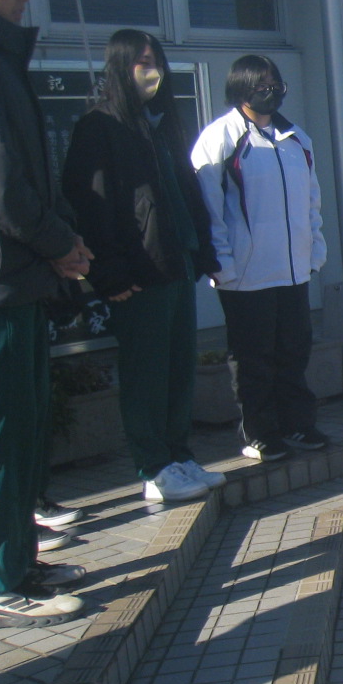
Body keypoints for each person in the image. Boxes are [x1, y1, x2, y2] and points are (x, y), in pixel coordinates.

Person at [0, 0, 94, 627]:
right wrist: (58, 244)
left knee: (19, 430)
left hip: (17, 279)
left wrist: (61, 242)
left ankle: (17, 558)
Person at [63, 30, 225, 503]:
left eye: (157, 61)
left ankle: (177, 453)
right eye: (142, 62)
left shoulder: (160, 125)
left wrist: (203, 253)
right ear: (120, 66)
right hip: (138, 274)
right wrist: (108, 272)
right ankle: (153, 466)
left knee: (178, 369)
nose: (152, 71)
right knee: (146, 373)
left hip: (176, 265)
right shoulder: (98, 127)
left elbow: (186, 195)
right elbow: (90, 206)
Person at [190, 55, 328, 463]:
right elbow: (208, 208)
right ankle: (259, 432)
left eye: (275, 83)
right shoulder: (221, 138)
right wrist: (222, 263)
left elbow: (311, 201)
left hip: (293, 270)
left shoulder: (297, 139)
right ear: (242, 88)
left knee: (294, 350)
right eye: (261, 84)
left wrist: (314, 250)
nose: (271, 90)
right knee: (253, 357)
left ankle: (297, 423)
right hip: (245, 274)